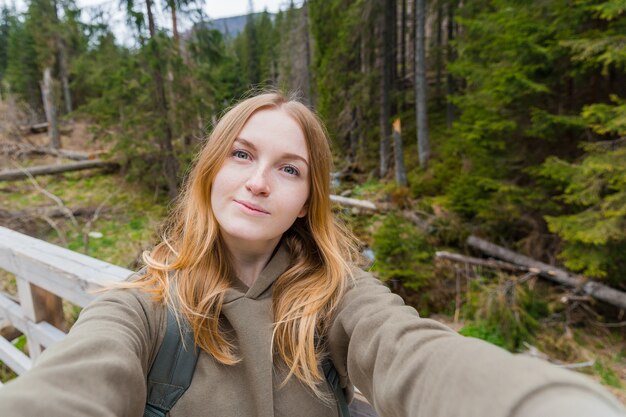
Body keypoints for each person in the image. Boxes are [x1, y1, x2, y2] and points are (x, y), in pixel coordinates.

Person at [0, 92, 624, 417]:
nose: (258, 181)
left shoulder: (338, 296)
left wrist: (542, 402)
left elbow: (411, 352)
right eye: (241, 154)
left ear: (306, 201)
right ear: (210, 169)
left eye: (288, 168)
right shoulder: (145, 308)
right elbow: (74, 384)